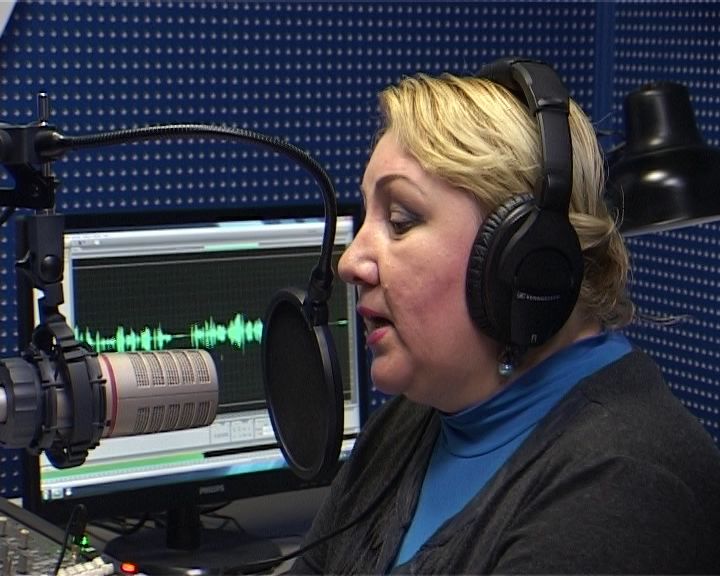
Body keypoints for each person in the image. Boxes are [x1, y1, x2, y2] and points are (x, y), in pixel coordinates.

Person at [288, 59, 720, 574]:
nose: (350, 263)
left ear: (520, 260)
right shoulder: (414, 421)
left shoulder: (624, 486)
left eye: (400, 220)